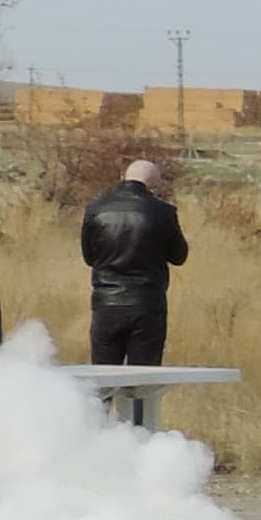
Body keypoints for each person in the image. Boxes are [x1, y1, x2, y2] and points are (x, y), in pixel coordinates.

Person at [77, 154, 190, 367]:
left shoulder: (96, 209)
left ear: (123, 176)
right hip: (147, 304)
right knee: (143, 379)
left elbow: (89, 257)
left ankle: (104, 402)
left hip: (106, 303)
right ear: (153, 183)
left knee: (104, 379)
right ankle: (137, 402)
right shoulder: (164, 211)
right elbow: (179, 256)